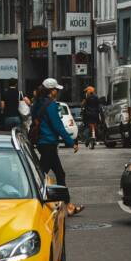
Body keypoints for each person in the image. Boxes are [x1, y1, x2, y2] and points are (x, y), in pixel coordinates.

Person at [30, 79, 83, 216]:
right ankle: (31, 202)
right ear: (51, 90)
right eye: (56, 90)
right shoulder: (51, 105)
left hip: (42, 143)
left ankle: (68, 206)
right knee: (39, 177)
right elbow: (57, 125)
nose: (57, 92)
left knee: (58, 174)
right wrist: (71, 142)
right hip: (49, 143)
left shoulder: (36, 103)